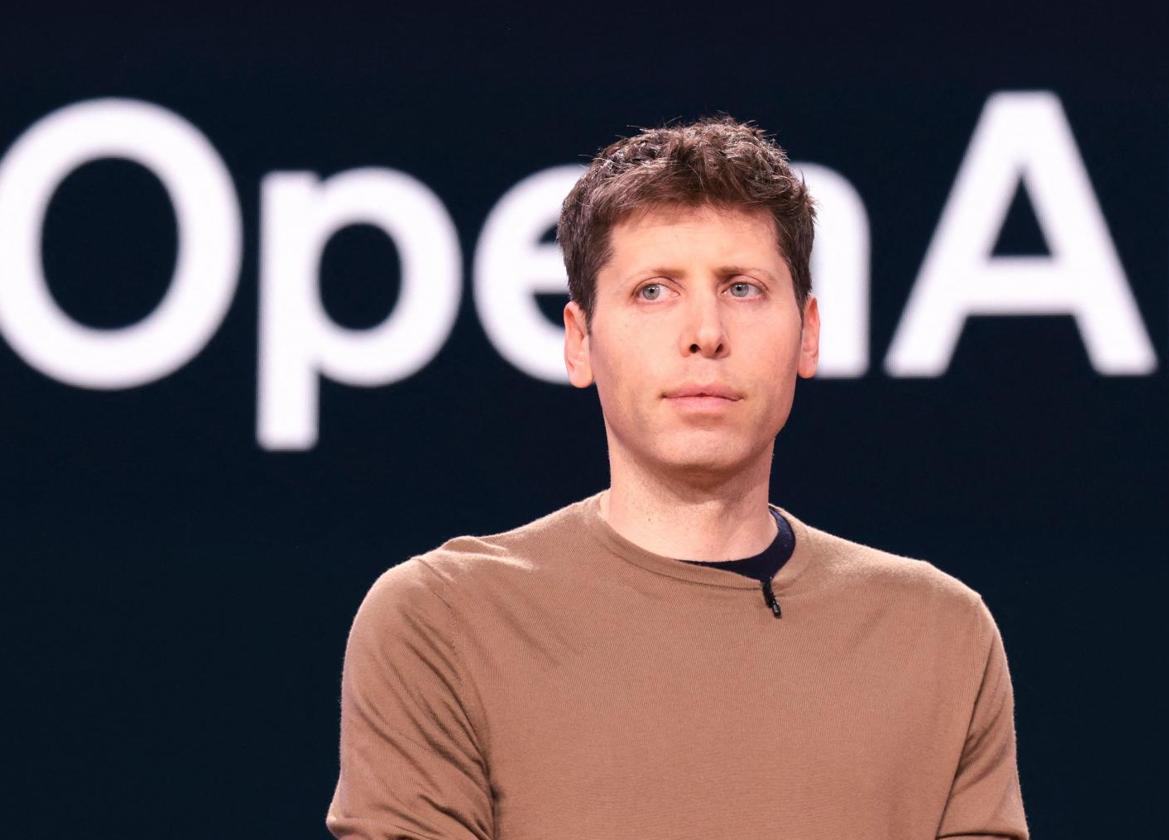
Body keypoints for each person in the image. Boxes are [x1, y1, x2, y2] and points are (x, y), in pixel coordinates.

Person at [326, 116, 1030, 839]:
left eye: (744, 289)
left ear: (808, 333)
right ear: (580, 342)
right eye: (654, 291)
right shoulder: (444, 621)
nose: (705, 331)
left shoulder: (939, 636)